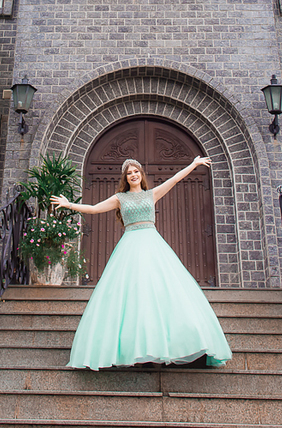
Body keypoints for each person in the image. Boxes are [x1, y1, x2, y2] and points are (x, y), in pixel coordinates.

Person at [49, 156, 232, 369]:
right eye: (129, 173)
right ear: (125, 178)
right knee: (133, 292)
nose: (133, 175)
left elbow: (174, 179)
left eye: (136, 171)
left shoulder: (151, 194)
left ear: (141, 174)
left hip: (153, 244)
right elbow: (95, 208)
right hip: (130, 246)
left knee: (161, 290)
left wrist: (193, 164)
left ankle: (173, 344)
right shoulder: (120, 198)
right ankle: (134, 349)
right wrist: (69, 205)